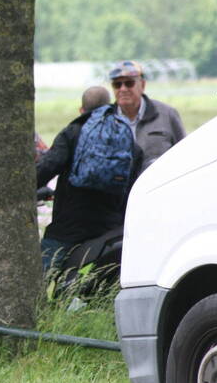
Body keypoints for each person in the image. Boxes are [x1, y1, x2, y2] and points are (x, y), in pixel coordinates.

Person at [37, 85, 142, 272]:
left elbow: (47, 168)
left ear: (81, 110)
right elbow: (132, 188)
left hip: (68, 228)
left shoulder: (72, 133)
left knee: (41, 276)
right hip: (110, 230)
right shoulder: (127, 140)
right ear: (111, 107)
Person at [108, 60, 185, 172]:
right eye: (117, 85)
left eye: (129, 83)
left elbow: (184, 153)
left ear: (142, 85)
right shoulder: (105, 119)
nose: (123, 89)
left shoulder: (167, 114)